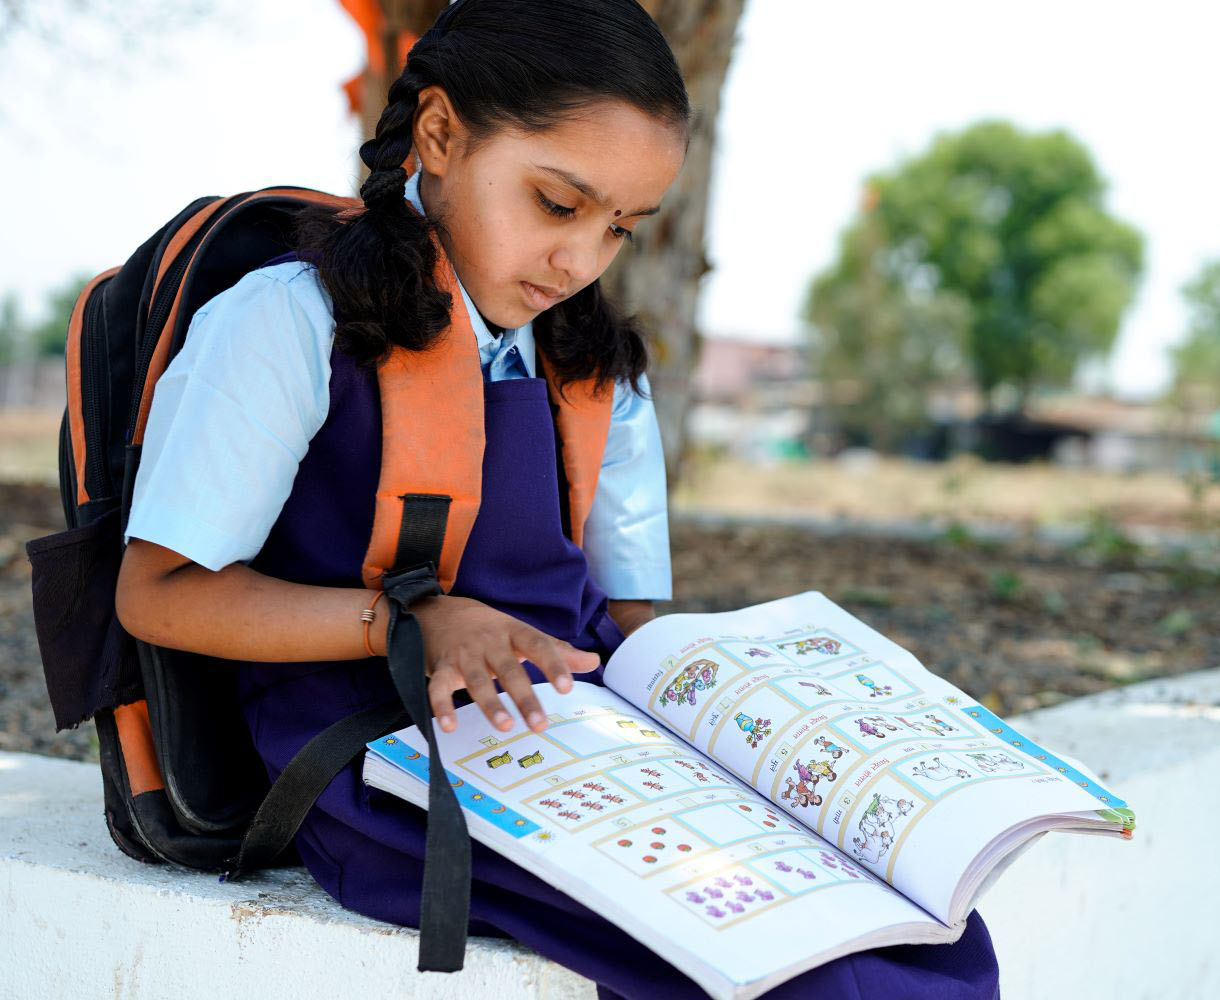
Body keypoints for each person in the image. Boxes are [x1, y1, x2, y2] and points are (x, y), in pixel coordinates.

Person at [112, 1, 1000, 996]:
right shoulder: (290, 321)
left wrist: (781, 713)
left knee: (923, 933)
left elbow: (628, 625)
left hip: (582, 745)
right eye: (556, 202)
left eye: (621, 226)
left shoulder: (596, 364)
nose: (582, 261)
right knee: (801, 973)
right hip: (387, 761)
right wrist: (409, 623)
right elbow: (160, 592)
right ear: (441, 135)